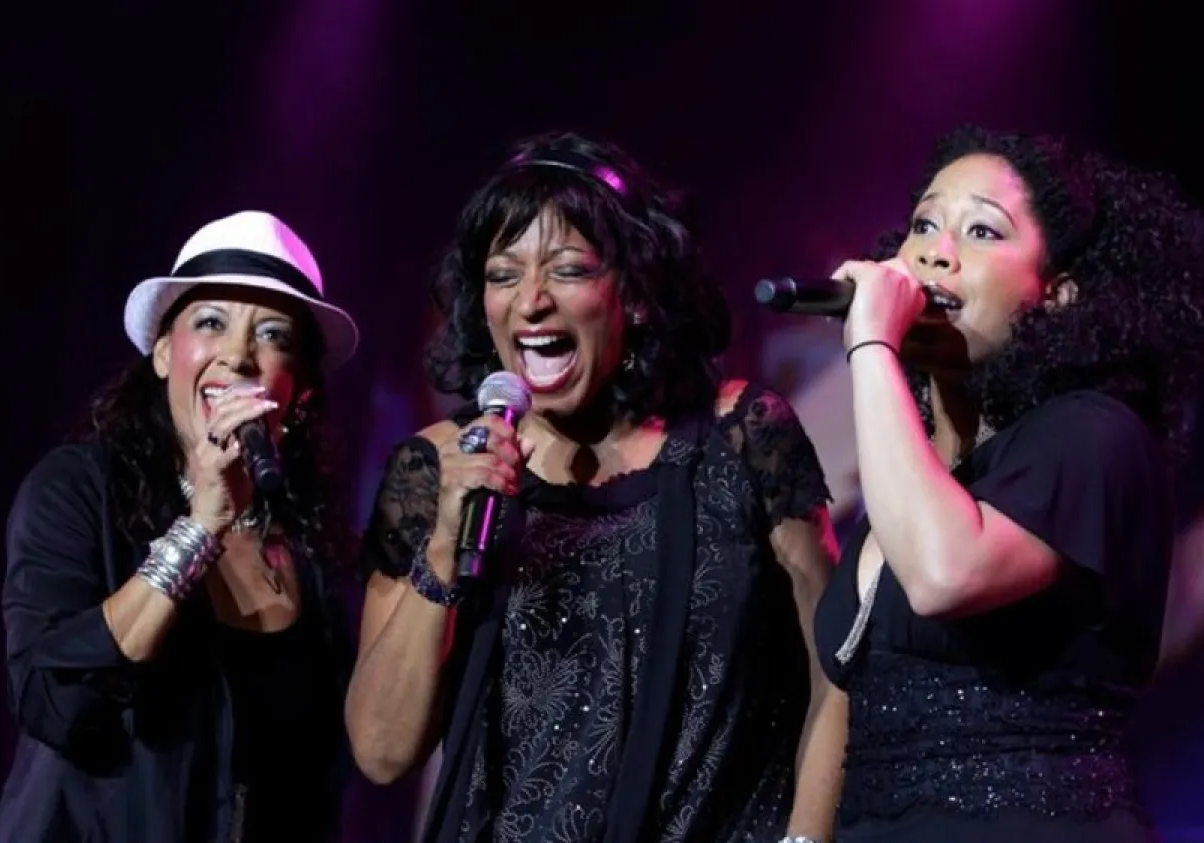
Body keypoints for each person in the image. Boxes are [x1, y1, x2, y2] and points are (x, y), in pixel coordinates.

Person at [346, 131, 839, 843]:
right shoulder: (437, 469)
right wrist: (445, 548)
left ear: (633, 294)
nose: (532, 301)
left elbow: (837, 668)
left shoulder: (740, 438)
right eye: (503, 273)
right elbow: (382, 751)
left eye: (568, 269)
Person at [793, 126, 1204, 842]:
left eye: (982, 230)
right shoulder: (923, 476)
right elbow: (846, 696)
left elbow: (943, 574)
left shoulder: (1094, 436)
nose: (935, 250)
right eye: (923, 224)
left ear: (1055, 294)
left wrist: (869, 344)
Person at [0, 211, 361, 843]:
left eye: (271, 334)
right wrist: (200, 526)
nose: (237, 355)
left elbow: (316, 786)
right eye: (210, 323)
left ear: (301, 390)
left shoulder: (315, 561)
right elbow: (57, 704)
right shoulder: (80, 490)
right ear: (162, 354)